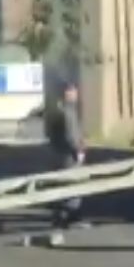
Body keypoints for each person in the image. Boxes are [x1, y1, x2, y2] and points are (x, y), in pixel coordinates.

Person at [44, 82, 86, 229]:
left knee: (62, 184)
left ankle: (59, 217)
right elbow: (71, 134)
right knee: (74, 184)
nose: (75, 95)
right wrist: (78, 150)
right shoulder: (67, 111)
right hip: (68, 154)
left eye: (75, 92)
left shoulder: (58, 110)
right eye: (72, 92)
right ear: (67, 94)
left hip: (59, 152)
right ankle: (71, 216)